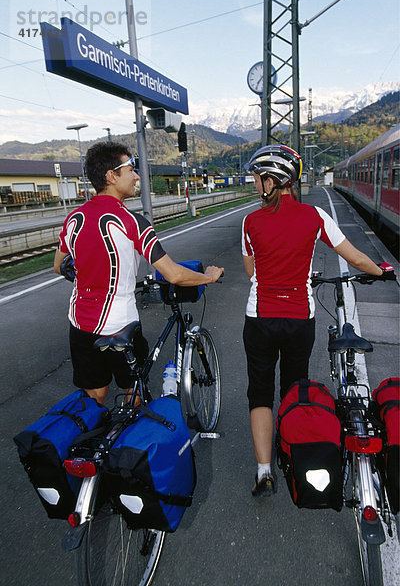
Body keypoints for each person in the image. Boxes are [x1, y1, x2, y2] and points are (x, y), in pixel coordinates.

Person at [241, 144, 395, 497]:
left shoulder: (251, 222)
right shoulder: (315, 217)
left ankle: (263, 470)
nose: (255, 184)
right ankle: (293, 449)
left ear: (271, 181)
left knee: (260, 392)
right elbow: (354, 255)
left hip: (260, 319)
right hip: (299, 318)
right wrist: (382, 271)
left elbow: (252, 272)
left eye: (257, 178)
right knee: (294, 386)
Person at [54, 141, 223, 405]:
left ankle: (101, 439)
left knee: (95, 395)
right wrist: (208, 277)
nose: (136, 176)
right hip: (119, 323)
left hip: (79, 322)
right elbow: (174, 274)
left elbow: (59, 265)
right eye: (130, 169)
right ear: (111, 176)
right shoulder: (132, 221)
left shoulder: (74, 218)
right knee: (134, 391)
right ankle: (135, 440)